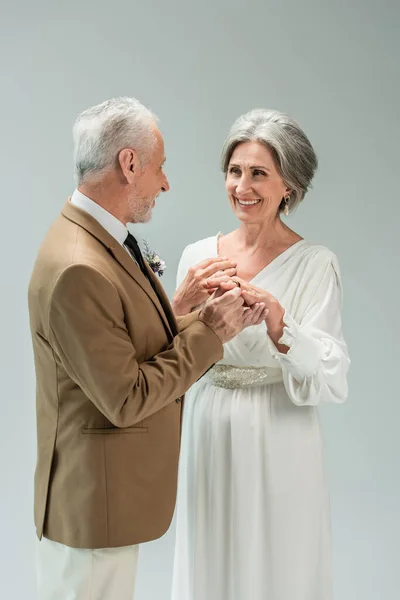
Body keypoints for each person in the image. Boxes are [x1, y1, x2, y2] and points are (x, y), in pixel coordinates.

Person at [28, 97, 267, 600]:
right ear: (129, 164)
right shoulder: (79, 266)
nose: (165, 183)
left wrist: (177, 310)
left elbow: (116, 343)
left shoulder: (98, 238)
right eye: (160, 167)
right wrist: (210, 332)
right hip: (92, 513)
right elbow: (126, 397)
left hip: (101, 504)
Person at [171, 108, 350, 600]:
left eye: (258, 173)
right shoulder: (197, 257)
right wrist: (183, 307)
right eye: (234, 171)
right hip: (208, 423)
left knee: (277, 555)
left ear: (288, 184)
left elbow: (330, 372)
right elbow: (168, 355)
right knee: (210, 548)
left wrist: (279, 321)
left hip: (279, 429)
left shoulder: (315, 264)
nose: (242, 186)